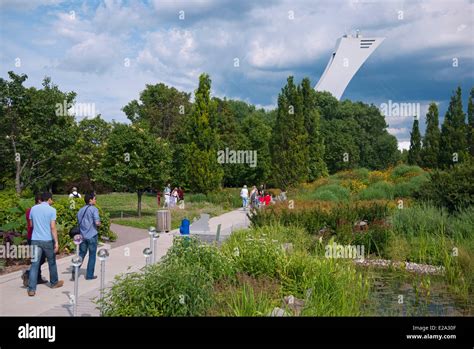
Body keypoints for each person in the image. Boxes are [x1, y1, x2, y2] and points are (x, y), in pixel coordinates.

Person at [27, 192, 64, 296]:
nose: (52, 201)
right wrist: (56, 242)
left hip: (35, 239)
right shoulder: (52, 210)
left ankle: (32, 289)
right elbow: (53, 227)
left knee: (34, 264)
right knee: (51, 262)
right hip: (47, 240)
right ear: (49, 199)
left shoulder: (33, 209)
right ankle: (54, 282)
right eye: (52, 199)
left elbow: (31, 224)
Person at [22, 193, 47, 287]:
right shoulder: (32, 210)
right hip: (34, 237)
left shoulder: (30, 210)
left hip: (33, 237)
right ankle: (29, 274)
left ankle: (37, 277)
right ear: (39, 201)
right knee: (38, 258)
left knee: (40, 258)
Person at [74, 192, 101, 280]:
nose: (95, 200)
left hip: (82, 236)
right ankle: (89, 275)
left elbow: (78, 221)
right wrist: (99, 224)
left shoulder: (80, 210)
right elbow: (97, 223)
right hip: (92, 235)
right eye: (94, 198)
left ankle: (75, 271)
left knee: (82, 253)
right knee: (92, 255)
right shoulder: (94, 209)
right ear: (90, 200)